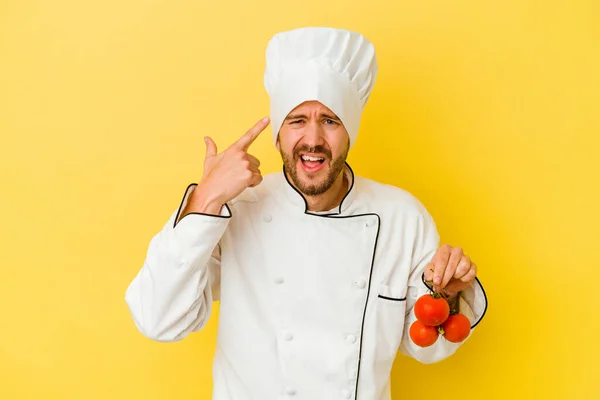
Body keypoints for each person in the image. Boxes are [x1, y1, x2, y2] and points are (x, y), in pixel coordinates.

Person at [125, 26, 488, 400]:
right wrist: (206, 198)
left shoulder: (401, 217)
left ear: (351, 133)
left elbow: (427, 347)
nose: (313, 139)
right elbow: (157, 319)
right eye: (297, 120)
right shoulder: (234, 208)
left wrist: (445, 297)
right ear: (278, 134)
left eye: (330, 120)